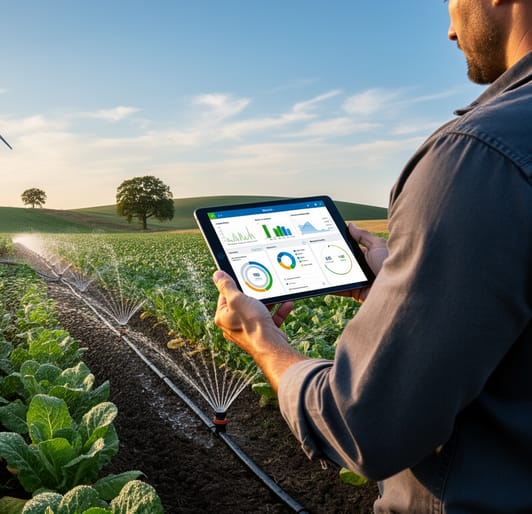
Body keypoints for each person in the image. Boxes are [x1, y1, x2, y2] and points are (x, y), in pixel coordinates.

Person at [212, 0, 532, 512]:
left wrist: (263, 340)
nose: (450, 30)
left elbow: (363, 426)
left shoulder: (478, 154)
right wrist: (405, 286)